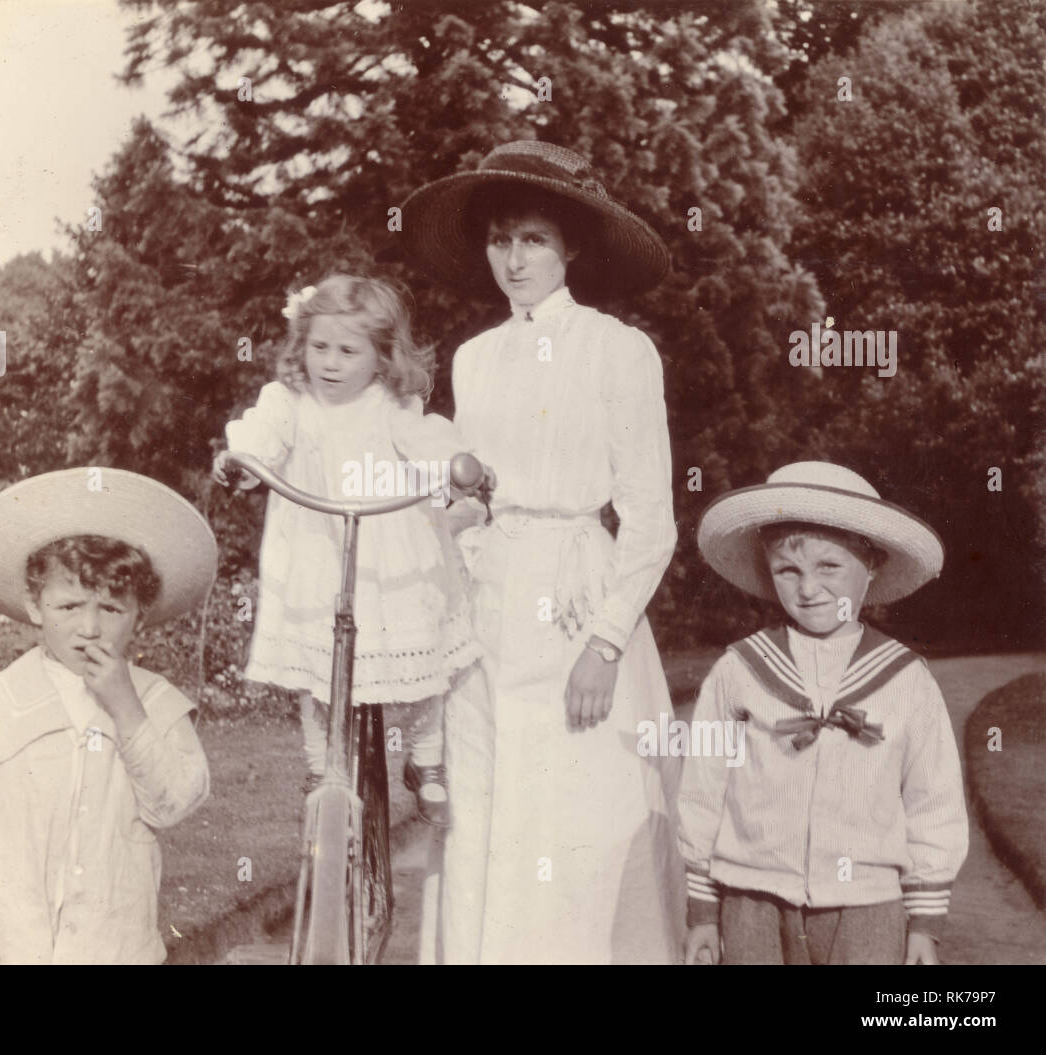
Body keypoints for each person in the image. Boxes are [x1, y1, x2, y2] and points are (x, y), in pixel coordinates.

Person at [401, 140, 684, 963]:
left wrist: (605, 641)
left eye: (532, 238)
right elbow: (470, 496)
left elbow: (651, 518)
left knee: (578, 813)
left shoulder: (618, 349)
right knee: (489, 808)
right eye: (498, 239)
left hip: (577, 601)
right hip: (489, 602)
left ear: (572, 247)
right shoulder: (475, 358)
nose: (513, 258)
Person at [214, 274, 489, 827]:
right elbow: (264, 434)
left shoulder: (390, 405)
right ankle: (322, 767)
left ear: (381, 357)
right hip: (317, 554)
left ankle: (426, 759)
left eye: (347, 350)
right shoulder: (288, 400)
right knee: (320, 671)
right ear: (302, 346)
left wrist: (459, 470)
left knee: (422, 654)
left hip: (392, 556)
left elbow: (427, 444)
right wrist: (242, 460)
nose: (331, 363)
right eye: (319, 348)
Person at [0, 467, 217, 964]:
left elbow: (173, 804)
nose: (89, 627)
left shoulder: (159, 704)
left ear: (140, 614)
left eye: (111, 609)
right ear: (34, 607)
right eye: (69, 606)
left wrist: (127, 709)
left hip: (117, 948)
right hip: (12, 947)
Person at [680, 461, 969, 965]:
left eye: (829, 567)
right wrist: (702, 909)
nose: (808, 589)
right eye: (788, 570)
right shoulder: (739, 670)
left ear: (872, 565)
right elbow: (702, 789)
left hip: (867, 903)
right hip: (751, 894)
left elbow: (933, 799)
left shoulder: (905, 678)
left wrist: (924, 921)